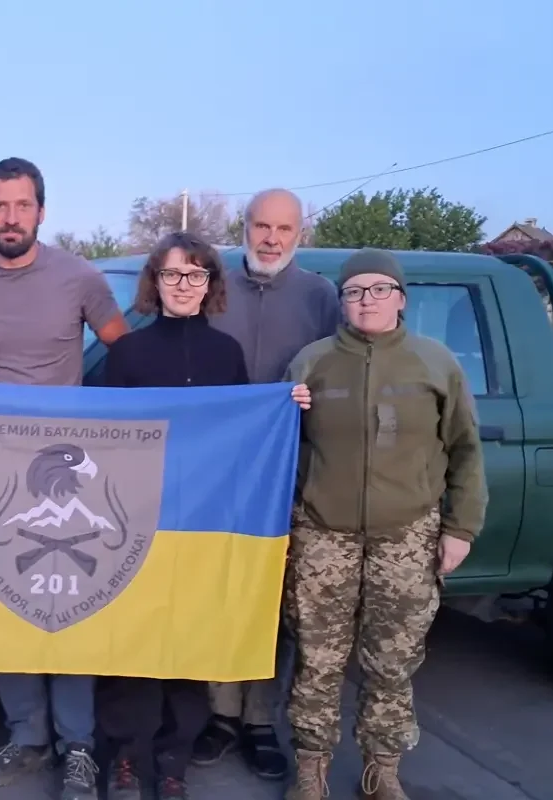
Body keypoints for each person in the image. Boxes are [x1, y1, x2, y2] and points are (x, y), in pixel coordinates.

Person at [0, 157, 129, 800]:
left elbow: (128, 354)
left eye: (22, 205)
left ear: (42, 209)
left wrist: (201, 406)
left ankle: (78, 748)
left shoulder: (81, 278)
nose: (10, 218)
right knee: (5, 610)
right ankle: (26, 737)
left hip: (67, 475)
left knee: (67, 611)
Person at [98, 231, 310, 800]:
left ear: (210, 284)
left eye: (195, 275)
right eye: (172, 275)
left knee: (187, 643)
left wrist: (284, 409)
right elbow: (97, 436)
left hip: (201, 525)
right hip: (136, 522)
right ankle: (126, 755)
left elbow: (245, 435)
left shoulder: (226, 354)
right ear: (156, 283)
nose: (184, 285)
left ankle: (173, 761)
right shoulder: (128, 354)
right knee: (131, 643)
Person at [281, 249, 485, 800]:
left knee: (392, 661)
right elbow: (277, 449)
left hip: (408, 533)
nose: (366, 300)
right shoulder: (311, 363)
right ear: (341, 300)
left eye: (378, 289)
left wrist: (460, 528)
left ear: (400, 298)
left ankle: (382, 769)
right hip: (323, 533)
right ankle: (311, 769)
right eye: (354, 291)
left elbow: (466, 450)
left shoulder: (435, 363)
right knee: (317, 661)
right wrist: (285, 406)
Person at [193, 187, 341, 782]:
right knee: (219, 592)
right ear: (245, 227)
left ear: (299, 234)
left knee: (274, 603)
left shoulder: (320, 296)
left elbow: (340, 371)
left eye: (283, 228)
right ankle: (220, 714)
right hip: (218, 475)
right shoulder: (214, 287)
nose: (271, 238)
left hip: (290, 475)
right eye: (261, 226)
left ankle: (259, 719)